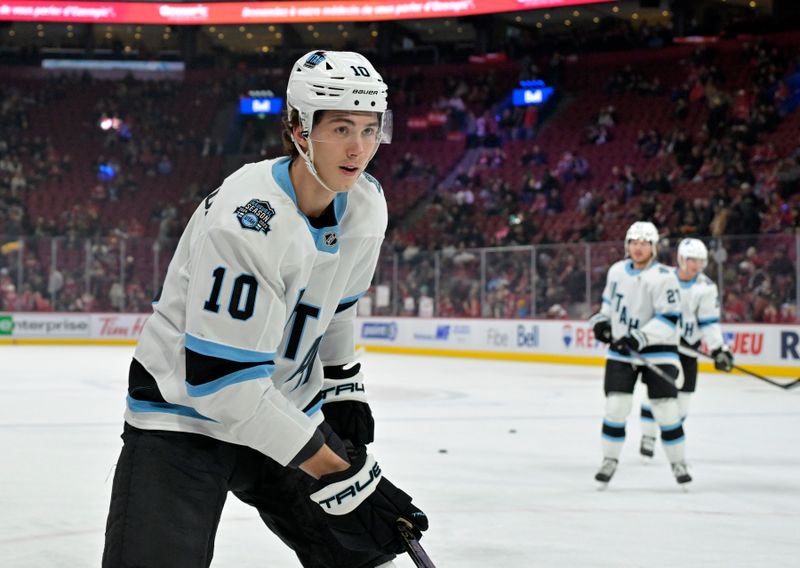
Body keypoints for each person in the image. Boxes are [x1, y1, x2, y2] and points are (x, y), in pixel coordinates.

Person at [102, 50, 428, 568]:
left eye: (370, 130)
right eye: (341, 128)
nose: (359, 148)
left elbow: (338, 308)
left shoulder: (366, 205)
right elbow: (221, 384)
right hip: (183, 418)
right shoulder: (249, 220)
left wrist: (343, 385)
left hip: (279, 407)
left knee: (360, 553)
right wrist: (337, 471)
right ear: (300, 130)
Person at [589, 221, 691, 486]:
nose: (638, 247)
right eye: (634, 242)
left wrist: (639, 337)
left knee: (666, 409)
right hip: (623, 351)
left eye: (644, 243)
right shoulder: (616, 272)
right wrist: (600, 323)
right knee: (615, 406)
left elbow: (669, 319)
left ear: (653, 247)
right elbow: (608, 307)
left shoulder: (665, 277)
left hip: (658, 351)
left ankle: (678, 462)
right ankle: (609, 460)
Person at [639, 238, 733, 458]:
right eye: (692, 259)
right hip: (663, 347)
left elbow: (708, 322)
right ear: (681, 259)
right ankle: (648, 436)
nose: (696, 265)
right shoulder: (662, 280)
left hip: (689, 349)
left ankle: (669, 436)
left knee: (682, 404)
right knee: (656, 396)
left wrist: (719, 348)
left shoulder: (706, 287)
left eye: (701, 261)